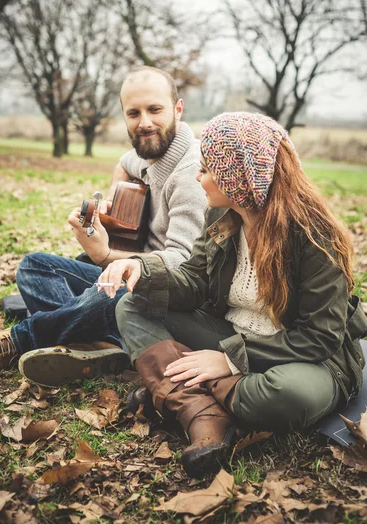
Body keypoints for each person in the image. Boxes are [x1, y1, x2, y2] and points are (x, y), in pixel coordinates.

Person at [97, 111, 367, 479]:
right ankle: (204, 413)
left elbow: (318, 337)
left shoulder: (316, 237)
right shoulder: (221, 216)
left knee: (288, 397)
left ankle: (174, 393)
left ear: (238, 178)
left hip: (309, 359)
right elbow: (193, 283)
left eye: (207, 169)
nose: (198, 176)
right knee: (134, 303)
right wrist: (142, 271)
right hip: (230, 332)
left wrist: (228, 359)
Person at [0, 66, 207, 387]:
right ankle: (105, 342)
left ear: (178, 109)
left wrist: (107, 255)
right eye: (133, 113)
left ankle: (17, 341)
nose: (145, 122)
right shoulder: (154, 150)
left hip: (166, 291)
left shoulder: (192, 175)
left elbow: (184, 264)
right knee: (34, 266)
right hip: (131, 276)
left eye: (155, 110)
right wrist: (115, 200)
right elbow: (125, 161)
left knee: (113, 293)